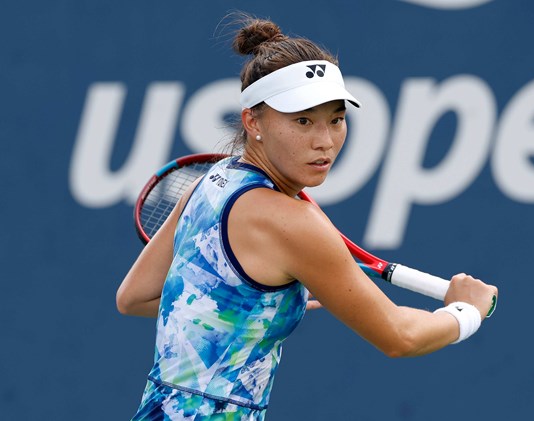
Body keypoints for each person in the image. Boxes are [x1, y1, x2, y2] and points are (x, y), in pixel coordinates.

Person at [116, 15, 498, 421]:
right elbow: (399, 337)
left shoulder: (211, 181)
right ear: (252, 121)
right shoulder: (293, 223)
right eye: (303, 121)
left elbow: (134, 298)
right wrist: (465, 313)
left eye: (336, 119)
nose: (324, 141)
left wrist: (252, 310)